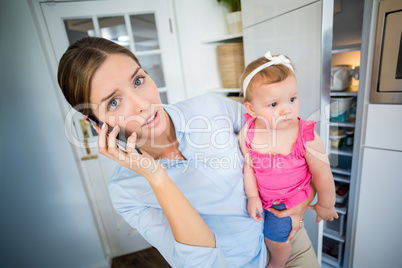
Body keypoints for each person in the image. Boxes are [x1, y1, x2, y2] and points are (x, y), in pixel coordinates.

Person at [57, 37, 320, 267]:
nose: (143, 104)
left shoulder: (210, 108)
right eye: (114, 102)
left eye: (138, 80)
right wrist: (156, 177)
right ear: (95, 123)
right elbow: (200, 262)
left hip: (288, 242)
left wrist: (306, 198)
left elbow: (292, 139)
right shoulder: (126, 192)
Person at [238, 52, 338, 268]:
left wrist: (326, 204)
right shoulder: (248, 133)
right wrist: (253, 197)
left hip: (289, 200)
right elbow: (249, 168)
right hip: (263, 198)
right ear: (252, 109)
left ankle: (278, 262)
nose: (287, 109)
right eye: (274, 104)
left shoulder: (306, 135)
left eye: (292, 99)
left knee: (274, 238)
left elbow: (322, 173)